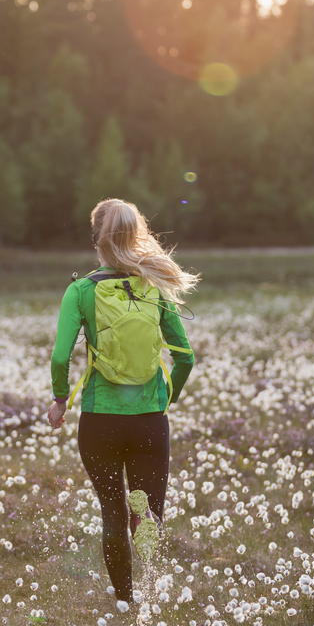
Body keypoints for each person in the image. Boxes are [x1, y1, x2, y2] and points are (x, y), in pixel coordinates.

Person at [48, 198, 198, 603]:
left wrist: (60, 400)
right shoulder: (154, 286)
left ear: (96, 236)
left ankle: (124, 601)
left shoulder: (80, 291)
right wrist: (167, 399)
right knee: (147, 513)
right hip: (150, 418)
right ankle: (149, 594)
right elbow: (185, 357)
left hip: (100, 420)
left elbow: (61, 355)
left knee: (112, 512)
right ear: (136, 235)